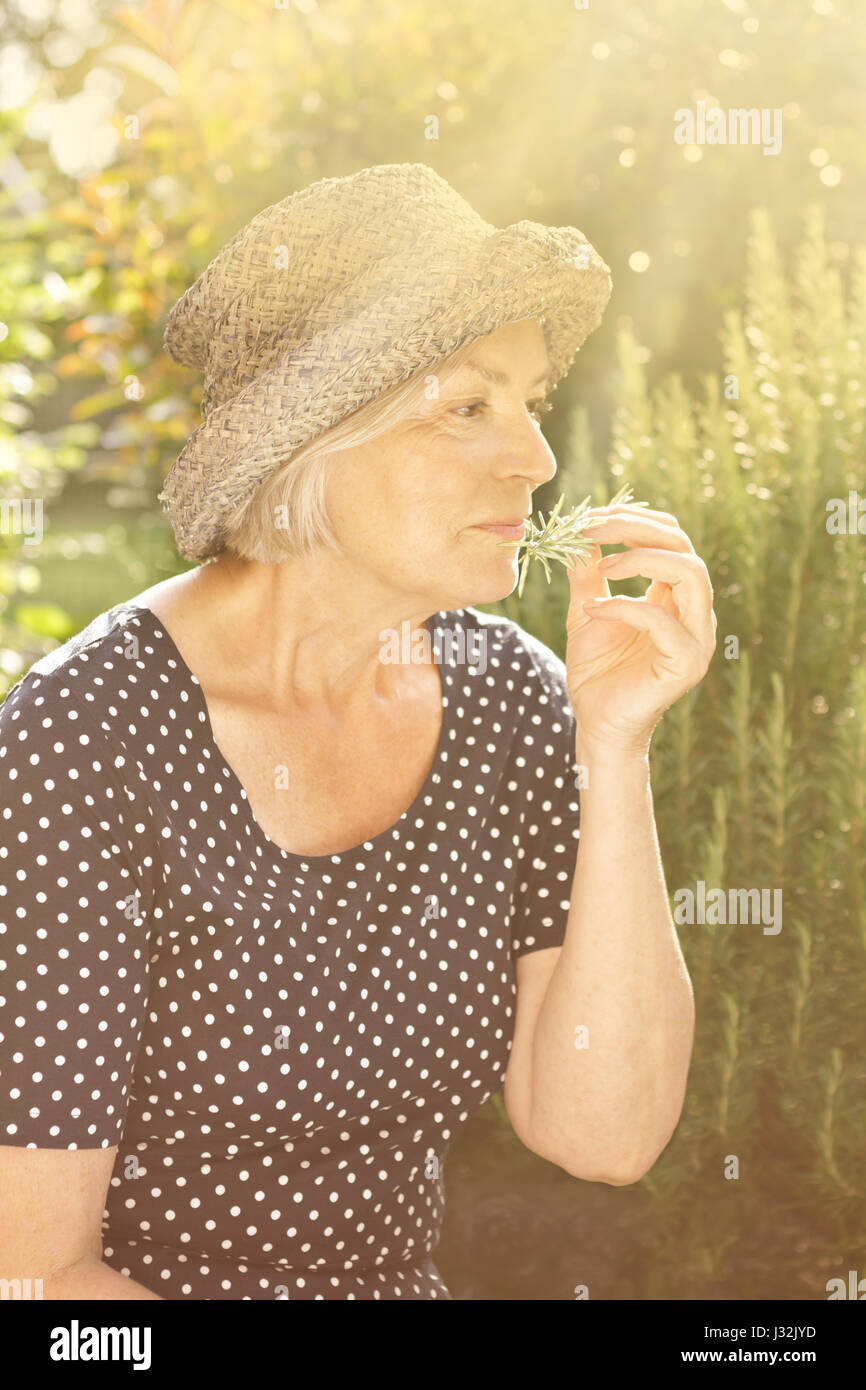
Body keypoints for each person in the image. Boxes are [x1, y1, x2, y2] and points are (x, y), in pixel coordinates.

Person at [0, 163, 714, 1300]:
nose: (534, 457)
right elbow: (34, 1282)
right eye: (469, 405)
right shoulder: (85, 747)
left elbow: (605, 1135)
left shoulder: (509, 702)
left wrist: (613, 747)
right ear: (319, 436)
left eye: (529, 401)